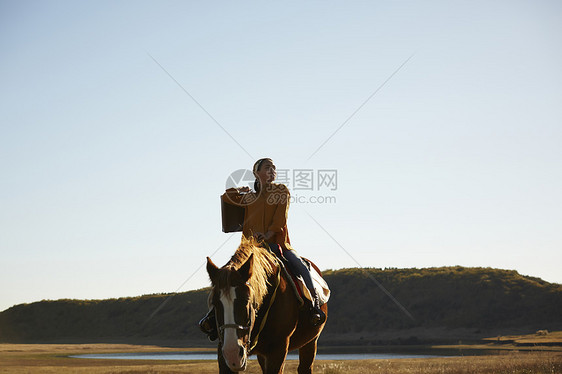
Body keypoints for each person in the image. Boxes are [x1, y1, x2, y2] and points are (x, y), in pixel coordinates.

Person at [199, 158, 326, 341]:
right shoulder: (249, 196)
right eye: (267, 168)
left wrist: (268, 234)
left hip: (276, 245)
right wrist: (239, 190)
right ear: (256, 173)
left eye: (274, 168)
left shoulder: (280, 191)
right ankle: (212, 316)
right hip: (249, 249)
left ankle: (313, 306)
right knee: (224, 274)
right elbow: (227, 197)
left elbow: (281, 218)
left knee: (300, 266)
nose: (272, 171)